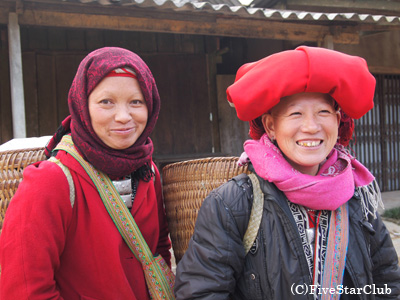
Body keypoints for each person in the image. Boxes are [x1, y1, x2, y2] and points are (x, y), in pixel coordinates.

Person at [174, 46, 400, 299]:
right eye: (295, 113)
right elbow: (203, 292)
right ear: (270, 126)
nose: (311, 127)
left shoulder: (358, 198)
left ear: (338, 121)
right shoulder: (233, 204)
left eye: (323, 112)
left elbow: (387, 282)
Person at [0, 47, 172, 299]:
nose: (124, 117)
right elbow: (25, 289)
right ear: (83, 106)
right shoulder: (51, 181)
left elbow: (158, 248)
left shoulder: (148, 171)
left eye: (136, 102)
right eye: (106, 102)